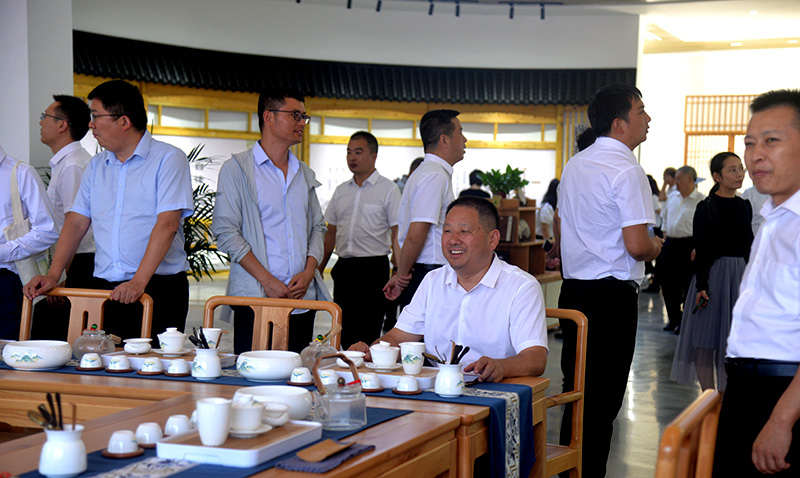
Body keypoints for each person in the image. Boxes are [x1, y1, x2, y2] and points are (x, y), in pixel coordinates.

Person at [24, 80, 193, 342]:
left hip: (156, 286)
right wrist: (55, 274)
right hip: (106, 288)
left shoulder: (168, 159)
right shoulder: (97, 165)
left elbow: (168, 225)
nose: (90, 125)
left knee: (154, 365)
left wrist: (138, 281)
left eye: (96, 116)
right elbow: (77, 222)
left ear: (123, 121)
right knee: (107, 362)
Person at [558, 84, 663, 478]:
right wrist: (657, 246)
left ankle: (569, 470)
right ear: (620, 124)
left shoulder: (575, 164)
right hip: (611, 296)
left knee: (576, 392)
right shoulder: (627, 169)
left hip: (574, 291)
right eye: (641, 111)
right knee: (603, 400)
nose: (647, 119)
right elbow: (637, 246)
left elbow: (564, 227)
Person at [350, 196, 548, 383]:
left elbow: (536, 358)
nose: (453, 240)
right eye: (447, 231)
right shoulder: (433, 281)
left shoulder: (521, 287)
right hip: (439, 388)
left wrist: (501, 367)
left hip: (497, 389)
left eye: (464, 231)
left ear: (493, 239)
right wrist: (371, 352)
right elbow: (397, 337)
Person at [712, 89, 800, 477]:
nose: (755, 155)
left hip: (785, 398)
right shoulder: (773, 218)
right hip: (745, 389)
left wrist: (781, 420)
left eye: (771, 140)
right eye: (749, 143)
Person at [212, 86, 329, 354]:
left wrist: (309, 272)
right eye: (295, 115)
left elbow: (317, 227)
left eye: (304, 117)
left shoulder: (304, 173)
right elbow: (226, 231)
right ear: (269, 117)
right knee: (253, 372)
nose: (302, 123)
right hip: (255, 298)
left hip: (301, 300)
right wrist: (267, 280)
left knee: (297, 372)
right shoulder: (238, 169)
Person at [670, 152, 752, 392]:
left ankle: (727, 394)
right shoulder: (706, 207)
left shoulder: (744, 205)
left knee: (731, 340)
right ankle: (709, 395)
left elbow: (749, 246)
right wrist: (702, 285)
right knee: (705, 340)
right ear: (717, 176)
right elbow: (703, 250)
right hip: (713, 277)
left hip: (739, 277)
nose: (739, 174)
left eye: (740, 169)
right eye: (732, 170)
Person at [319, 131, 400, 348]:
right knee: (343, 330)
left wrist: (398, 270)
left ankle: (366, 368)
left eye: (358, 152)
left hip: (373, 269)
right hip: (344, 269)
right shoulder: (341, 191)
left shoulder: (388, 190)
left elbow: (397, 232)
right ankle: (347, 366)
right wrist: (318, 269)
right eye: (349, 152)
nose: (352, 157)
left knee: (369, 331)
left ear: (373, 156)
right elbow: (330, 232)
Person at [383, 109, 467, 311]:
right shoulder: (434, 176)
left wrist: (401, 272)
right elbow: (416, 234)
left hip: (420, 270)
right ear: (444, 139)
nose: (465, 140)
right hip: (427, 272)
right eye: (460, 132)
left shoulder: (426, 172)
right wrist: (401, 276)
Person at [32, 95, 95, 340]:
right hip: (73, 261)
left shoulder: (72, 166)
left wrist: (62, 275)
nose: (40, 122)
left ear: (62, 125)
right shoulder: (67, 163)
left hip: (80, 262)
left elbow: (77, 224)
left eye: (44, 116)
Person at [0, 146, 58, 339]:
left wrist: (3, 252)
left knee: (8, 351)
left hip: (7, 279)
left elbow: (47, 230)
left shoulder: (20, 173)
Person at [659, 165, 704, 333]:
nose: (675, 182)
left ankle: (684, 322)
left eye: (679, 179)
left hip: (689, 246)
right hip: (670, 244)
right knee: (667, 283)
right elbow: (664, 218)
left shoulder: (700, 201)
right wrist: (665, 234)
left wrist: (698, 247)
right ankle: (673, 319)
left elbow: (704, 228)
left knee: (686, 283)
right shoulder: (673, 197)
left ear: (690, 180)